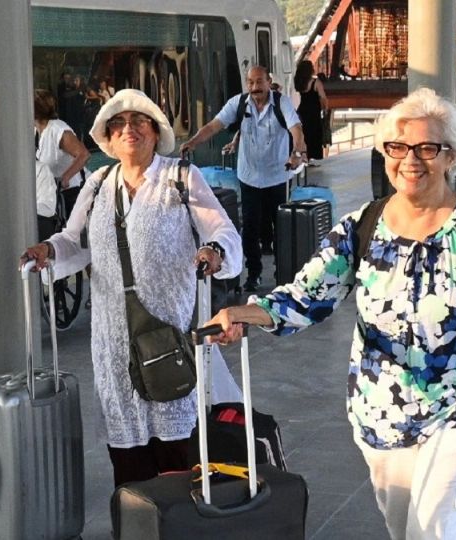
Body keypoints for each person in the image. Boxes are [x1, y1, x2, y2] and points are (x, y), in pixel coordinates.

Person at [203, 87, 456, 540]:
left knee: (437, 530)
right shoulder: (362, 225)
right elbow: (306, 294)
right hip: (383, 410)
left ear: (451, 156)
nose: (411, 159)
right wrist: (244, 313)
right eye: (398, 147)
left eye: (428, 148)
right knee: (408, 530)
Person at [20, 89, 243, 487]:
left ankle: (178, 525)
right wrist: (48, 251)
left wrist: (214, 250)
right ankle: (137, 523)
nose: (129, 129)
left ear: (156, 132)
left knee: (177, 452)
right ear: (108, 136)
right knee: (128, 457)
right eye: (118, 123)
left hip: (168, 338)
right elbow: (74, 240)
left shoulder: (181, 178)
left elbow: (223, 230)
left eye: (139, 121)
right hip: (113, 348)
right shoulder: (98, 185)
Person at [180, 65, 307, 292]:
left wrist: (296, 153)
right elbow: (213, 126)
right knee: (249, 229)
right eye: (250, 82)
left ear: (269, 82)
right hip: (249, 178)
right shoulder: (238, 104)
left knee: (279, 228)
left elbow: (296, 129)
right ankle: (254, 274)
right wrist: (193, 142)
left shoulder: (281, 103)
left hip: (277, 176)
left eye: (259, 82)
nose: (255, 87)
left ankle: (282, 275)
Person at [33, 89, 91, 218]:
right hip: (55, 196)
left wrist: (65, 177)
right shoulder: (35, 132)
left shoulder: (57, 129)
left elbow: (84, 154)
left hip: (73, 194)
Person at [294, 60, 329, 166]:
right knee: (315, 136)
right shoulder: (315, 82)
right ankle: (315, 158)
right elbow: (323, 98)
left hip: (302, 111)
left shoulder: (298, 82)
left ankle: (305, 158)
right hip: (314, 113)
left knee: (305, 135)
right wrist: (325, 109)